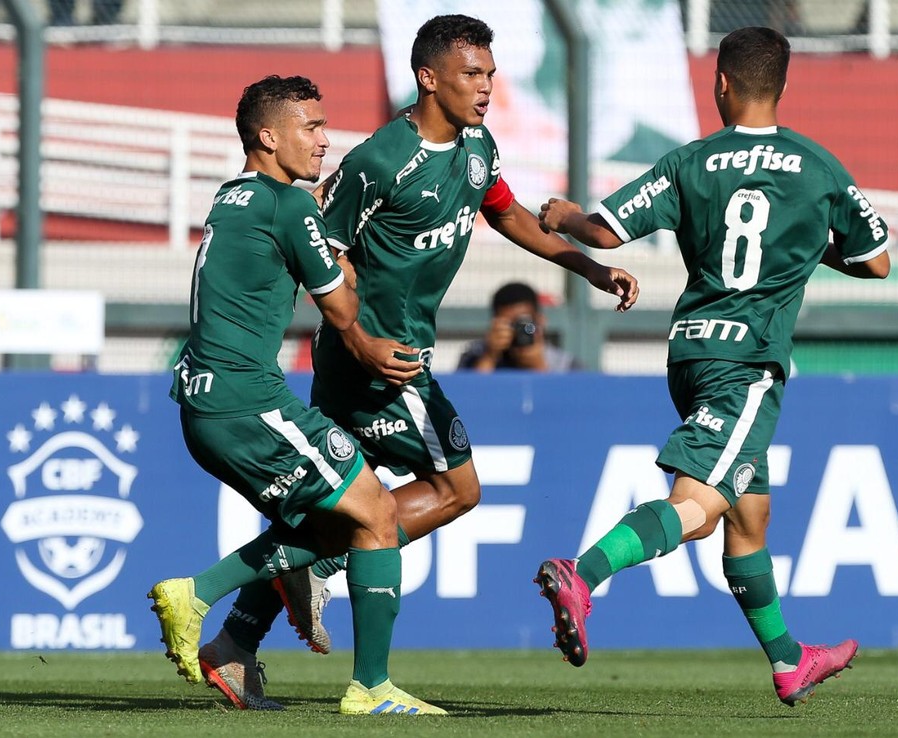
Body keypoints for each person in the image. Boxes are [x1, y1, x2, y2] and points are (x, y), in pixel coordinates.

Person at [197, 13, 639, 709]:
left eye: (490, 74)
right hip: (380, 360)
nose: (487, 87)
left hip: (388, 354)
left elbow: (510, 214)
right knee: (457, 489)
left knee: (355, 506)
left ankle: (239, 639)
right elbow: (321, 246)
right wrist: (361, 337)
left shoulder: (476, 147)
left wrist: (586, 268)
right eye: (472, 74)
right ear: (428, 78)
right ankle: (336, 612)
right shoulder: (378, 161)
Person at [533, 26, 890, 708]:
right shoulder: (819, 168)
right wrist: (813, 245)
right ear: (780, 86)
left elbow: (605, 230)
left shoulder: (690, 162)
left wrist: (567, 215)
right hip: (749, 362)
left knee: (748, 515)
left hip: (692, 348)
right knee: (699, 504)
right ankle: (584, 572)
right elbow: (876, 260)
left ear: (720, 82)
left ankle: (789, 659)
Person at [147, 74, 446, 716]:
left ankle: (230, 632)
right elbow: (340, 309)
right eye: (310, 127)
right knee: (378, 513)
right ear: (268, 135)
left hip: (205, 403)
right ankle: (367, 686)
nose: (323, 138)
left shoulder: (234, 198)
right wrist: (353, 265)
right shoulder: (290, 206)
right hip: (248, 401)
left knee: (336, 520)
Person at [457, 281, 581, 372]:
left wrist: (539, 366)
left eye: (525, 324)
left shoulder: (565, 365)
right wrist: (489, 357)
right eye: (510, 325)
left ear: (540, 322)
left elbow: (565, 402)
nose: (518, 332)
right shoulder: (475, 355)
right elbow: (468, 396)